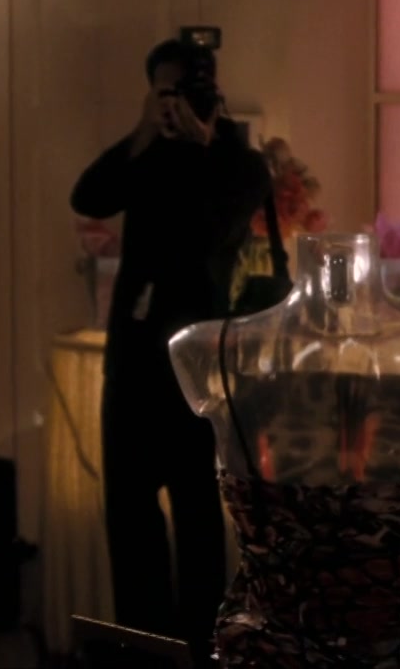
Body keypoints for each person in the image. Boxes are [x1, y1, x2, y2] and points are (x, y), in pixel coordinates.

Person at [70, 39, 270, 646]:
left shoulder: (238, 162)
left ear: (213, 90)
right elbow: (88, 197)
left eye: (188, 90)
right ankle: (142, 646)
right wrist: (142, 132)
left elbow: (215, 231)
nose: (178, 103)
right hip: (134, 359)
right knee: (129, 512)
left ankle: (201, 649)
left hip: (198, 363)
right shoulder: (148, 153)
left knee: (197, 513)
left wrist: (204, 146)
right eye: (165, 92)